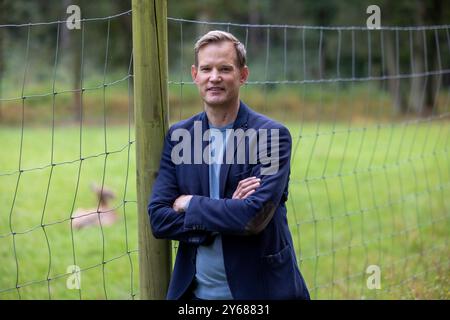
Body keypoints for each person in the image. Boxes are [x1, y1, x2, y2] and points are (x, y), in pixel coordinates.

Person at [148, 30, 310, 300]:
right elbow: (158, 219)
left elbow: (253, 217)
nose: (214, 77)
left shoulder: (271, 137)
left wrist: (189, 203)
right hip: (195, 296)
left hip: (262, 292)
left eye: (225, 68)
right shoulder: (180, 137)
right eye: (206, 68)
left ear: (242, 75)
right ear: (194, 75)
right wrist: (229, 212)